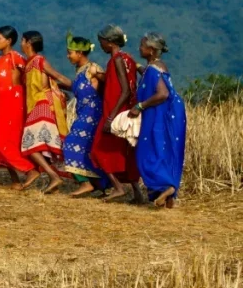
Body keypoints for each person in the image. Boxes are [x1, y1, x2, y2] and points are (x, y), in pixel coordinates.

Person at [128, 32, 186, 208]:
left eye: (142, 46)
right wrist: (136, 65)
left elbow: (162, 93)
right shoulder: (158, 66)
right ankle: (168, 197)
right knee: (164, 150)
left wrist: (140, 106)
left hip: (159, 114)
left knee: (149, 151)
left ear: (151, 50)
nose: (139, 48)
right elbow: (149, 76)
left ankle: (164, 186)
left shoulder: (153, 69)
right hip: (171, 113)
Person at [90, 24, 145, 203]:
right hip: (126, 112)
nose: (101, 46)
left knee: (97, 150)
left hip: (116, 112)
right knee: (125, 152)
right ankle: (137, 193)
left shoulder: (117, 60)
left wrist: (111, 117)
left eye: (102, 42)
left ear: (111, 42)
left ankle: (118, 187)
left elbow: (124, 91)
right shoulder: (127, 58)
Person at [19, 31, 71, 193]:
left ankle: (53, 176)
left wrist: (80, 87)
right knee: (38, 145)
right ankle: (53, 178)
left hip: (42, 105)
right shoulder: (29, 64)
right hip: (35, 106)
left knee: (30, 145)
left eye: (22, 40)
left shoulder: (39, 61)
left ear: (28, 43)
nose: (21, 43)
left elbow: (57, 77)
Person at [0, 26, 36, 190]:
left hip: (12, 103)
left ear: (8, 41)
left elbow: (25, 80)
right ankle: (15, 179)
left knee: (5, 142)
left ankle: (30, 169)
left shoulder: (15, 58)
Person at [61, 33, 109, 196]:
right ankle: (98, 184)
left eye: (70, 52)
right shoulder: (79, 71)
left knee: (70, 144)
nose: (68, 56)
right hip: (82, 113)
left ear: (80, 53)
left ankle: (86, 183)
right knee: (86, 149)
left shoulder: (93, 69)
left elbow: (110, 84)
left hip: (93, 114)